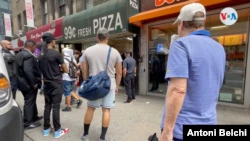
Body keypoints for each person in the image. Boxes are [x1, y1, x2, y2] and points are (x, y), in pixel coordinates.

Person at [160, 3, 225, 141]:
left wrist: (167, 131)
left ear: (182, 24)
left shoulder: (181, 45)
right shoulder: (219, 48)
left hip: (182, 128)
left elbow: (177, 90)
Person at [81, 28, 123, 141]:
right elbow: (119, 72)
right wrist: (117, 86)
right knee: (106, 110)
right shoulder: (115, 52)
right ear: (107, 38)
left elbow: (84, 71)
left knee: (90, 109)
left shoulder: (87, 51)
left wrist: (87, 84)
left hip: (94, 86)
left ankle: (85, 135)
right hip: (109, 85)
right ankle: (102, 138)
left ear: (97, 37)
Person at [38, 33, 69, 138]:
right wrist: (58, 69)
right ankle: (57, 131)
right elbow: (66, 69)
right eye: (55, 40)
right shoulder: (56, 54)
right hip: (56, 83)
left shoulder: (40, 55)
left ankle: (46, 129)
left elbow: (41, 70)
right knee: (56, 107)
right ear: (52, 41)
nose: (55, 42)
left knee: (47, 106)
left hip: (46, 83)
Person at [16, 40, 43, 130]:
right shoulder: (28, 55)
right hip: (28, 84)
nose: (35, 49)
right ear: (31, 46)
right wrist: (34, 83)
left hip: (23, 83)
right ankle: (27, 123)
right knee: (29, 102)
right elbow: (28, 70)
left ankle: (34, 116)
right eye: (35, 47)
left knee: (31, 101)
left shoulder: (19, 54)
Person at [62, 47, 83, 112]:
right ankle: (78, 100)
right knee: (70, 90)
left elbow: (61, 68)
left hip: (66, 78)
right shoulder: (73, 59)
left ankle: (68, 107)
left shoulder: (63, 59)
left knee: (67, 92)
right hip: (73, 78)